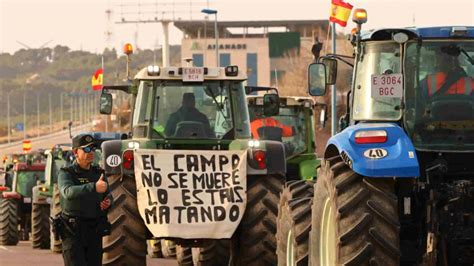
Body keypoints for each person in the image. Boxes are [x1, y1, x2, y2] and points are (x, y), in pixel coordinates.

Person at [58, 134, 112, 266]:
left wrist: (108, 202)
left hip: (94, 230)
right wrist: (93, 187)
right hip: (73, 231)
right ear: (76, 152)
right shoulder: (67, 173)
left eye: (93, 148)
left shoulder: (98, 173)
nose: (91, 152)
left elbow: (108, 195)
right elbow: (67, 192)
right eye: (86, 149)